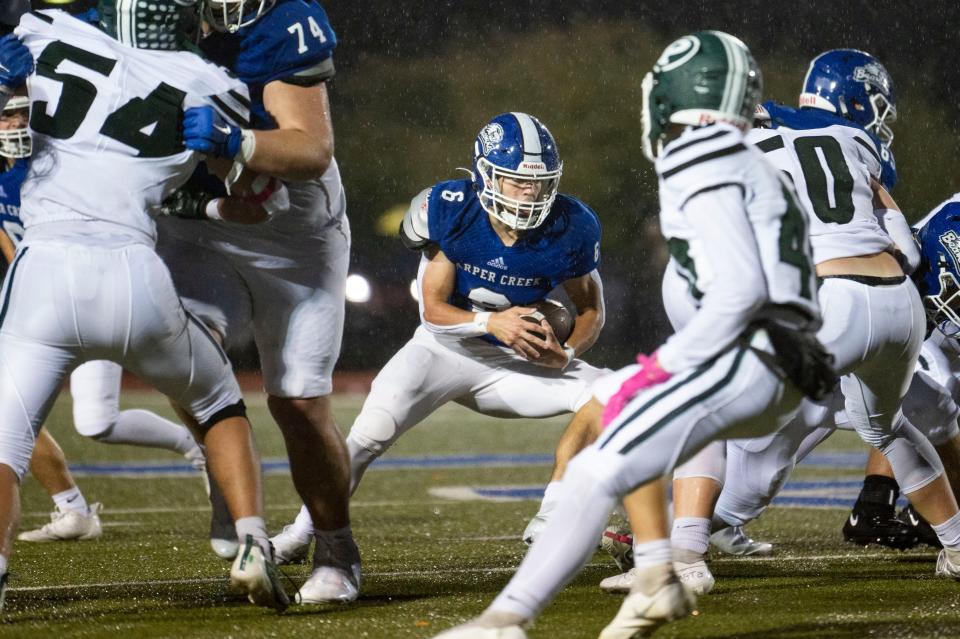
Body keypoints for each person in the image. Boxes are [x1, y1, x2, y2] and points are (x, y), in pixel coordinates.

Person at [431, 31, 833, 638]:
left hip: (746, 356)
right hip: (784, 357)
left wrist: (681, 360)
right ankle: (655, 575)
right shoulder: (757, 158)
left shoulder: (699, 158)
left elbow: (740, 292)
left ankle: (507, 620)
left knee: (600, 461)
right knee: (616, 408)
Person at [0, 1, 286, 610]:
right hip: (135, 275)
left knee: (6, 443)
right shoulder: (213, 83)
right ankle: (252, 543)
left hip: (43, 271)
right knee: (216, 403)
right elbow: (262, 193)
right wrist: (232, 151)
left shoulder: (42, 32)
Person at [658, 49, 960, 595]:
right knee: (888, 426)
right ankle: (958, 545)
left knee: (706, 406)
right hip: (896, 305)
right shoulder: (856, 142)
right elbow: (907, 251)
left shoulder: (734, 139)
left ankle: (682, 554)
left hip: (826, 304)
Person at [270, 110, 608, 566]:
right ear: (487, 174)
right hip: (443, 349)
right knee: (369, 434)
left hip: (513, 363)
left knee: (613, 392)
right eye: (515, 180)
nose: (530, 192)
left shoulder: (572, 225)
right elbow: (433, 310)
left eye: (539, 182)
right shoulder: (453, 207)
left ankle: (551, 520)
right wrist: (492, 323)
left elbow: (591, 309)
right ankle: (300, 533)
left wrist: (565, 353)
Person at [156, 0, 359, 604]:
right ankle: (230, 483)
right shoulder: (134, 19)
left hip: (290, 233)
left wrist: (236, 140)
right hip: (198, 222)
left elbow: (309, 149)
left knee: (298, 402)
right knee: (180, 354)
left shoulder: (285, 21)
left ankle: (336, 548)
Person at [0, 90, 208, 544]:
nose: (15, 125)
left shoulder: (58, 165)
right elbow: (14, 251)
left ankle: (206, 445)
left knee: (181, 385)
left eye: (21, 115)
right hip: (46, 308)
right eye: (7, 116)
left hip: (99, 289)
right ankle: (74, 511)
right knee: (77, 421)